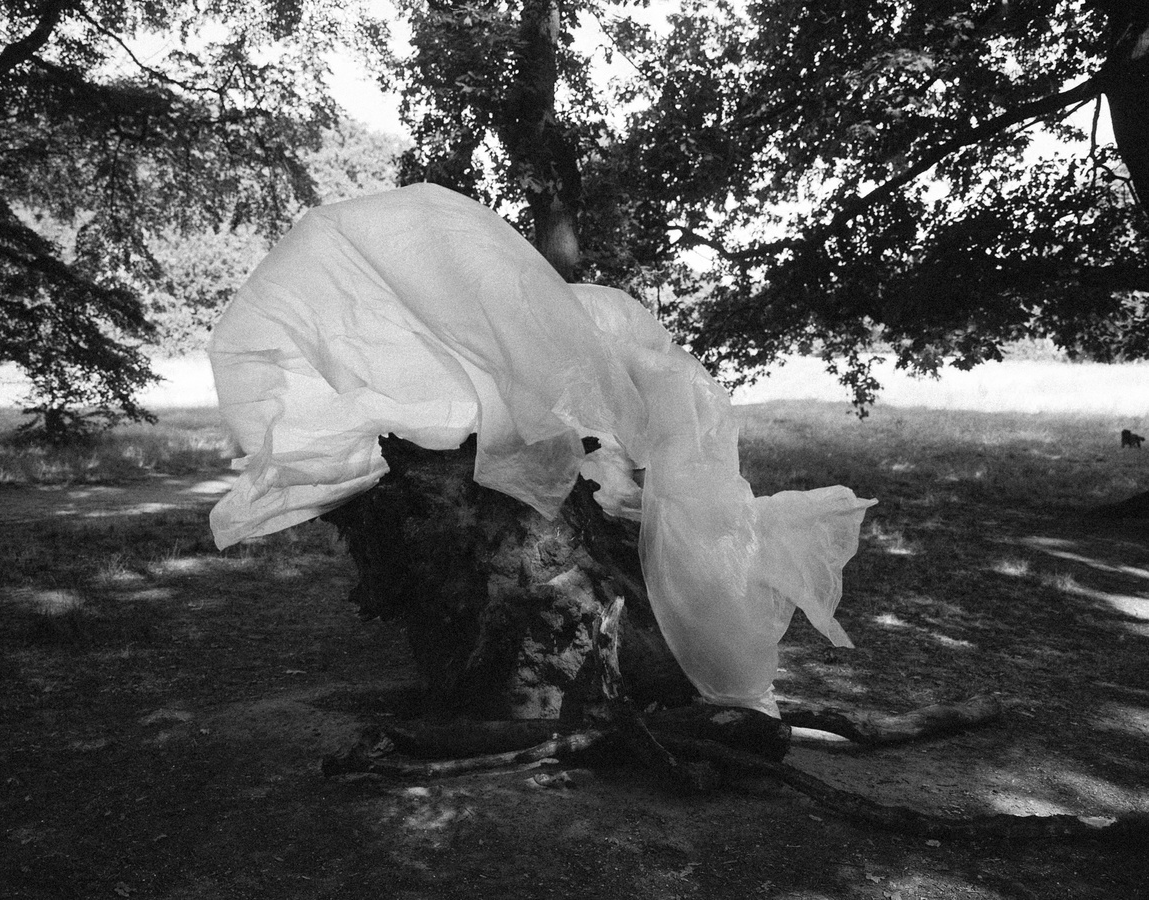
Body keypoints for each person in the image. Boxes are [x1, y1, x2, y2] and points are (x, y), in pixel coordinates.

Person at [208, 183, 875, 716]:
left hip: (623, 452)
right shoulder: (583, 329)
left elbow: (639, 428)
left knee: (641, 537)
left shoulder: (615, 339)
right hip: (597, 450)